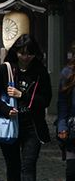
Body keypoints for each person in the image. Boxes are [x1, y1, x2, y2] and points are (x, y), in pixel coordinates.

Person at [0, 34, 51, 181]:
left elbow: (46, 100)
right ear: (15, 52)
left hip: (32, 126)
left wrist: (22, 95)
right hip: (10, 123)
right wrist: (5, 109)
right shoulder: (6, 69)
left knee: (28, 166)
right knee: (13, 166)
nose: (26, 57)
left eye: (30, 53)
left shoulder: (40, 72)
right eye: (22, 53)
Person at [58, 43, 75, 180]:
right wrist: (62, 126)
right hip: (73, 129)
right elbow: (62, 104)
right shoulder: (67, 74)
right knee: (71, 171)